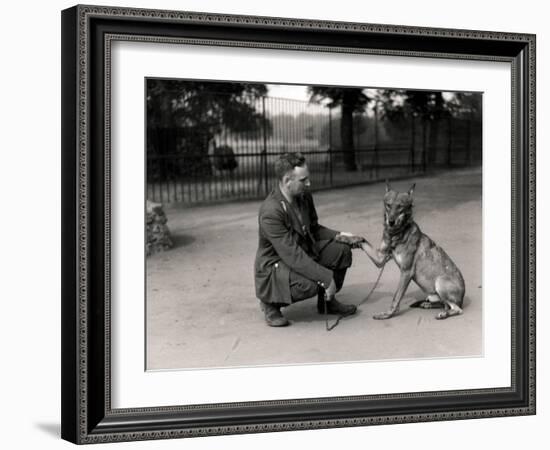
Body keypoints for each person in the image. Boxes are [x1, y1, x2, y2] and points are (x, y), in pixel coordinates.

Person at [254, 152, 363, 327]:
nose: (308, 183)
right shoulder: (271, 212)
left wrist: (342, 235)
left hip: (301, 252)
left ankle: (327, 302)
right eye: (303, 180)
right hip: (277, 264)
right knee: (311, 284)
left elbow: (313, 229)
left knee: (341, 250)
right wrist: (326, 278)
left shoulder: (304, 196)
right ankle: (270, 304)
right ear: (287, 181)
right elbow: (292, 256)